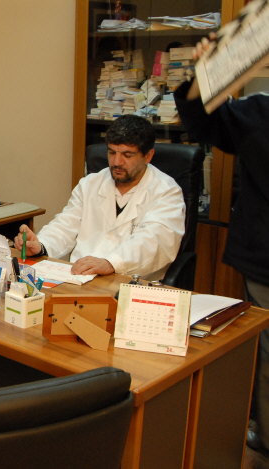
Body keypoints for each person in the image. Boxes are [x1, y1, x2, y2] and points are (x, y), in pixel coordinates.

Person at [174, 35, 269, 459]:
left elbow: (205, 120)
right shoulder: (259, 113)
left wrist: (208, 71)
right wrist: (207, 70)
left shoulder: (260, 113)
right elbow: (202, 119)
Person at [14, 114, 185, 280]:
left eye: (127, 155)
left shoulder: (166, 191)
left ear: (148, 156)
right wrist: (41, 246)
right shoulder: (90, 184)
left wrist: (111, 262)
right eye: (112, 152)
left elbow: (154, 243)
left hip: (131, 282)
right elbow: (65, 225)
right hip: (80, 277)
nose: (117, 162)